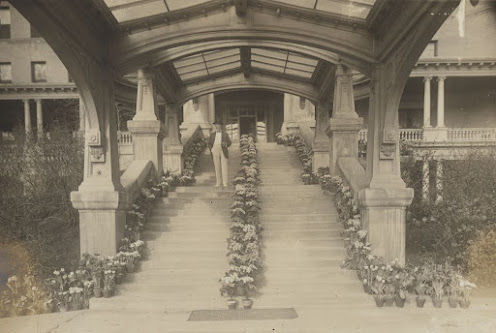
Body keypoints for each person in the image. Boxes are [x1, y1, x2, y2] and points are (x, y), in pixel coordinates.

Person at [208, 121, 231, 187]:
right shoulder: (212, 135)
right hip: (215, 149)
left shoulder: (225, 134)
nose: (218, 126)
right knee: (217, 166)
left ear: (221, 126)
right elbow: (209, 143)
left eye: (219, 125)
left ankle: (225, 182)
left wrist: (226, 144)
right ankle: (218, 182)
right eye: (216, 125)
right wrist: (211, 149)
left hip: (223, 149)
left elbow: (229, 142)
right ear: (215, 126)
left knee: (224, 166)